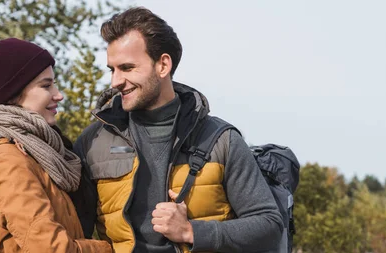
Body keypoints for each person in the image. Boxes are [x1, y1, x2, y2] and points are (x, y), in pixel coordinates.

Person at [73, 7, 283, 253]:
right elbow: (75, 232)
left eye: (127, 68)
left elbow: (269, 224)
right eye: (113, 69)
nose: (115, 81)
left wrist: (192, 232)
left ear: (163, 65)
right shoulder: (92, 142)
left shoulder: (221, 140)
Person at [0, 38, 112, 253]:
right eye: (46, 86)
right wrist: (113, 249)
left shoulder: (35, 148)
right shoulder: (7, 159)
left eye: (54, 83)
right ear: (13, 93)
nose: (58, 95)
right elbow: (50, 249)